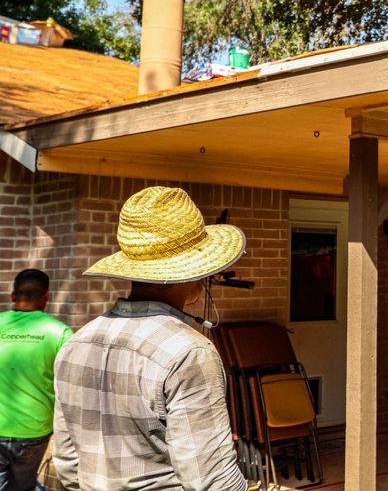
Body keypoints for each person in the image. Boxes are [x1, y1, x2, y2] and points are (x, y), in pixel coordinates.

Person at [52, 186, 248, 491]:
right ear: (196, 273)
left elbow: (68, 467)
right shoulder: (189, 351)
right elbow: (213, 480)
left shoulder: (76, 343)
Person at [0, 269, 73, 491]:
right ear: (46, 296)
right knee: (23, 487)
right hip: (35, 429)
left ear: (13, 295)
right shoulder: (60, 333)